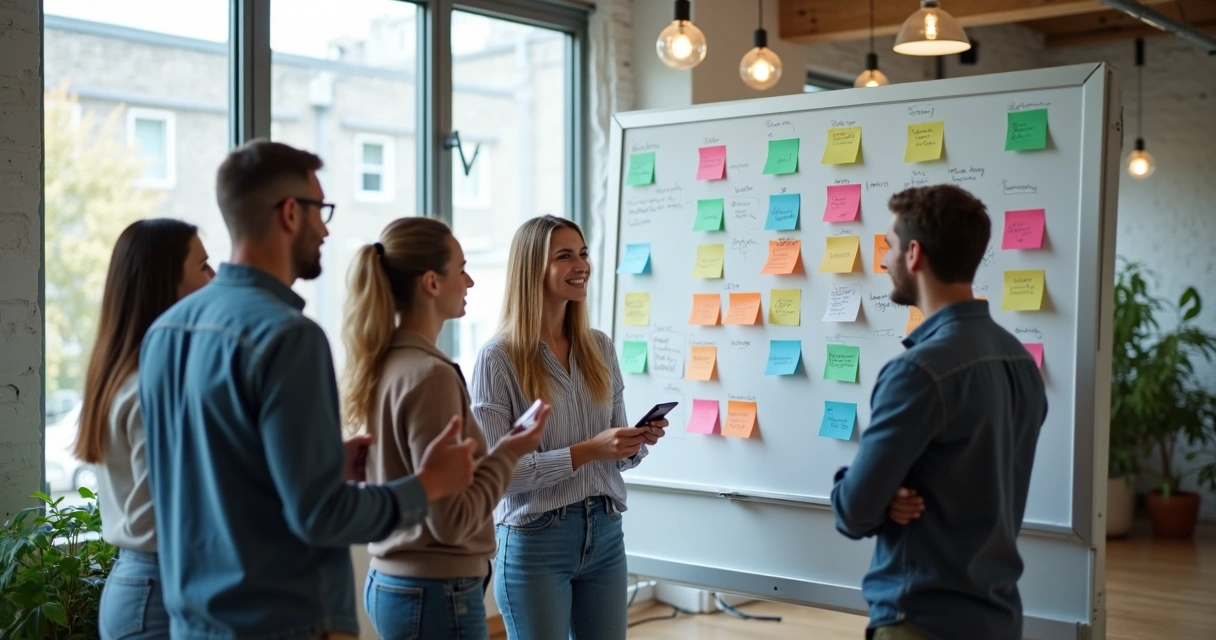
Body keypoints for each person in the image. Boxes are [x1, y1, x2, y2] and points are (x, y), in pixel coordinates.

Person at [138, 140, 478, 640]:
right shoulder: (288, 337)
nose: (325, 228)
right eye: (321, 210)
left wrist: (325, 462)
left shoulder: (165, 332)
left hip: (194, 624)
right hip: (284, 623)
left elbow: (205, 480)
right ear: (291, 213)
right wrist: (429, 484)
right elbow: (322, 516)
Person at [830, 184, 1048, 640]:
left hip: (923, 620)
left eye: (888, 246)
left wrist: (872, 495)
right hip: (997, 616)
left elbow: (852, 511)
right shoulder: (1019, 361)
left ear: (914, 254)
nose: (883, 261)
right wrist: (886, 497)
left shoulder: (918, 372)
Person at [340, 217, 551, 639]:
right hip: (434, 591)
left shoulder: (386, 362)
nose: (470, 281)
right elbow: (451, 520)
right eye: (462, 269)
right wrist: (510, 451)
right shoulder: (431, 375)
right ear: (432, 283)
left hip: (397, 583)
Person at [470, 215, 669, 640]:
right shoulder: (497, 359)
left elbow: (615, 454)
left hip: (605, 530)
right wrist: (590, 450)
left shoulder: (599, 346)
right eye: (565, 256)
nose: (581, 265)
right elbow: (497, 475)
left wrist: (633, 443)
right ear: (532, 270)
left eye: (582, 254)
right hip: (535, 541)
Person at [74, 219, 214, 640]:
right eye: (204, 266)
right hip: (159, 592)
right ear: (166, 284)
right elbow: (188, 506)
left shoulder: (124, 376)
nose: (217, 277)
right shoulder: (156, 386)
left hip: (141, 585)